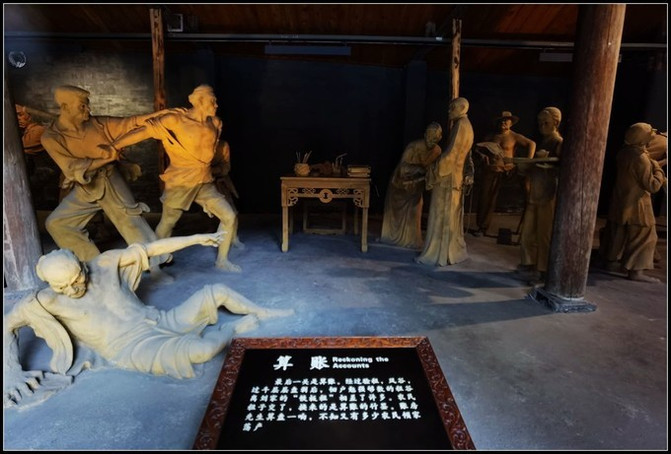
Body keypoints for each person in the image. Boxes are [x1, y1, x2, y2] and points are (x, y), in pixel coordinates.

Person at [3, 231, 293, 409]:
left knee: (216, 291)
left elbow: (150, 249)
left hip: (157, 319)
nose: (72, 289)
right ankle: (234, 328)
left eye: (76, 279)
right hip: (132, 349)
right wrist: (10, 373)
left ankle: (263, 311)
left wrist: (194, 239)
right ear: (50, 285)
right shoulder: (44, 301)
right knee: (204, 350)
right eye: (62, 287)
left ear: (81, 265)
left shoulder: (105, 263)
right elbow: (7, 327)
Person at [102, 84, 241, 272]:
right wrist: (114, 146)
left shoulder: (215, 123)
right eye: (212, 101)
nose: (216, 105)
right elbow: (144, 131)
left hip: (204, 181)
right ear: (199, 101)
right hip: (180, 182)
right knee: (168, 223)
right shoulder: (175, 121)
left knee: (229, 216)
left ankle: (222, 261)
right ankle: (153, 266)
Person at [39, 85, 175, 268]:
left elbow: (130, 122)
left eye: (87, 104)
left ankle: (157, 262)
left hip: (110, 180)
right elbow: (72, 168)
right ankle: (95, 264)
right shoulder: (51, 137)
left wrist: (161, 114)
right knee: (57, 223)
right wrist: (106, 158)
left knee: (130, 222)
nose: (88, 109)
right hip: (86, 188)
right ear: (65, 107)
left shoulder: (98, 124)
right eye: (82, 106)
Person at [599, 123, 666, 283]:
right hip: (637, 205)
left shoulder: (624, 153)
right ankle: (636, 271)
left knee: (617, 233)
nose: (654, 133)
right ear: (642, 139)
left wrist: (653, 163)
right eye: (650, 132)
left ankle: (609, 262)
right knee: (644, 237)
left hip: (620, 201)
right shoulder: (641, 159)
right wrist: (658, 170)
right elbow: (652, 185)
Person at [416, 97, 474, 266]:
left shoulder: (461, 125)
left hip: (448, 178)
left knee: (440, 216)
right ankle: (448, 252)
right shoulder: (466, 125)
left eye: (452, 108)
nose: (449, 111)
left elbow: (451, 154)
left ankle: (436, 253)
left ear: (462, 108)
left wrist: (433, 170)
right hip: (455, 177)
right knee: (449, 217)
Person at [515, 107, 563, 285]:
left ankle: (543, 270)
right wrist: (525, 166)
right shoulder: (543, 142)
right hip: (535, 191)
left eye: (546, 122)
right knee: (528, 231)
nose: (542, 126)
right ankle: (528, 263)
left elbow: (564, 168)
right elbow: (535, 166)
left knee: (544, 234)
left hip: (548, 193)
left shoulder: (558, 143)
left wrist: (549, 165)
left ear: (556, 123)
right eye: (540, 123)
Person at [472, 111, 536, 237]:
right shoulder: (491, 136)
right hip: (492, 170)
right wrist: (482, 155)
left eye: (506, 120)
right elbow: (478, 149)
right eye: (501, 120)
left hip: (509, 171)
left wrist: (528, 161)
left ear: (511, 123)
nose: (503, 122)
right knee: (485, 197)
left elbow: (531, 144)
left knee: (527, 191)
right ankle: (482, 227)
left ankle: (526, 228)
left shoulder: (514, 136)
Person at [380, 122, 443, 249]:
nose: (430, 141)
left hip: (416, 187)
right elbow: (402, 168)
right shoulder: (413, 146)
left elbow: (435, 169)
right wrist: (419, 169)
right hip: (400, 186)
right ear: (424, 135)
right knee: (396, 216)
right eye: (429, 137)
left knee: (415, 210)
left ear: (439, 138)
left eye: (434, 138)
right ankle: (391, 237)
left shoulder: (437, 151)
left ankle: (412, 240)